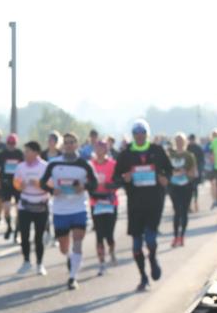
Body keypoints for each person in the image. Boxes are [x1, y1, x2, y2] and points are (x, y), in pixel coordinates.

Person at [115, 119, 173, 291]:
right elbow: (116, 177)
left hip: (154, 202)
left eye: (143, 133)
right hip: (135, 204)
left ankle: (153, 259)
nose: (139, 136)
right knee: (136, 245)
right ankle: (143, 277)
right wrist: (124, 178)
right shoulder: (126, 154)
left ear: (147, 134)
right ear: (133, 135)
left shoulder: (157, 150)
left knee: (150, 239)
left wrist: (165, 179)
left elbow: (169, 170)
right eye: (136, 133)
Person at [40, 132, 97, 289]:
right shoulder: (54, 164)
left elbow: (95, 183)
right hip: (60, 210)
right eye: (67, 142)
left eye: (72, 142)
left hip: (79, 209)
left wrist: (83, 187)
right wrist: (52, 190)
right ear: (63, 145)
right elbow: (42, 182)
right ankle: (70, 257)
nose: (69, 145)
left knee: (78, 242)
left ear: (77, 144)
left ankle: (73, 277)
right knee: (63, 247)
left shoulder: (84, 164)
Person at [13, 141, 50, 275]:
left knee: (39, 237)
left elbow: (50, 184)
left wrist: (39, 184)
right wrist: (20, 185)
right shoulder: (20, 166)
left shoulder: (45, 166)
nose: (25, 153)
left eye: (27, 151)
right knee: (24, 235)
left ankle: (40, 264)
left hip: (41, 204)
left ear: (35, 152)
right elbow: (15, 183)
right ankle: (26, 261)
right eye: (25, 151)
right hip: (25, 204)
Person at [89, 139, 119, 275]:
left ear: (106, 150)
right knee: (99, 234)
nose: (99, 151)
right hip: (96, 202)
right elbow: (86, 181)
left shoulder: (113, 164)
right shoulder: (90, 165)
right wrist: (92, 189)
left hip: (110, 202)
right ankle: (101, 263)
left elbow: (119, 181)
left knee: (109, 234)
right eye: (97, 148)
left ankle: (111, 250)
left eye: (102, 148)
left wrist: (110, 186)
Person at [167, 133, 197, 247]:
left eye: (181, 141)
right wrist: (173, 173)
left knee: (184, 211)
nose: (179, 143)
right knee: (177, 212)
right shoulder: (171, 155)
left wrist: (185, 172)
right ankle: (175, 236)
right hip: (174, 186)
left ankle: (182, 236)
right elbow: (166, 170)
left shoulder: (189, 156)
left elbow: (193, 172)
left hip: (186, 186)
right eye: (177, 140)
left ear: (185, 142)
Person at [0, 133, 23, 241]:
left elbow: (25, 167)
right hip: (5, 184)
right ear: (7, 143)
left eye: (13, 143)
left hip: (18, 184)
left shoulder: (19, 153)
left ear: (16, 143)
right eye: (9, 143)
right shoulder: (3, 154)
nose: (11, 145)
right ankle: (9, 227)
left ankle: (17, 231)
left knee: (19, 209)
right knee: (6, 208)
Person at [186, 133, 206, 213]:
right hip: (187, 172)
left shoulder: (198, 148)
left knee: (194, 188)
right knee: (188, 189)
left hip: (196, 171)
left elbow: (202, 160)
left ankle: (195, 203)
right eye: (190, 139)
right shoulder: (187, 147)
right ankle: (189, 205)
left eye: (192, 139)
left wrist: (199, 171)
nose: (191, 141)